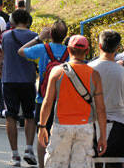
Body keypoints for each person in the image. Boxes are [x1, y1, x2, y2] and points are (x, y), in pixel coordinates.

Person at [38, 35, 108, 168]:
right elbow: (101, 109)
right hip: (85, 127)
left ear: (68, 50)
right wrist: (103, 136)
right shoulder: (94, 75)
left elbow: (47, 102)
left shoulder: (57, 72)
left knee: (56, 164)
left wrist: (42, 126)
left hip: (61, 125)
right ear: (87, 52)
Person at [18, 21, 69, 168]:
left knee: (42, 134)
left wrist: (39, 38)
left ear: (50, 34)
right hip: (63, 100)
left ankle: (42, 166)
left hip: (43, 98)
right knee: (60, 136)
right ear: (65, 35)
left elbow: (21, 51)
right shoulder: (69, 51)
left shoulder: (42, 48)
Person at [0, 9, 38, 167]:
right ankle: (29, 148)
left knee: (11, 116)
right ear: (28, 21)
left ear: (12, 20)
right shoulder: (35, 36)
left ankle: (15, 155)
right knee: (30, 115)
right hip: (28, 80)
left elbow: (0, 55)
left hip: (9, 79)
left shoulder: (5, 36)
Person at [88, 30, 124, 162]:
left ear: (99, 45)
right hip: (119, 125)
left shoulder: (88, 69)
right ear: (118, 48)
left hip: (91, 123)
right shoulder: (121, 72)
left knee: (93, 161)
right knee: (115, 162)